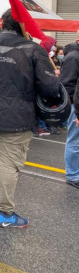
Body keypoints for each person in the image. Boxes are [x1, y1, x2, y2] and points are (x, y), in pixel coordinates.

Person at [0, 9, 60, 228]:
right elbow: (50, 89)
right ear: (24, 24)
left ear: (3, 23)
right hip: (18, 117)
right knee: (8, 162)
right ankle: (4, 212)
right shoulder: (33, 49)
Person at [62, 31, 79, 188]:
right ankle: (73, 175)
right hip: (76, 104)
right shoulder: (74, 57)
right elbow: (67, 84)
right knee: (75, 140)